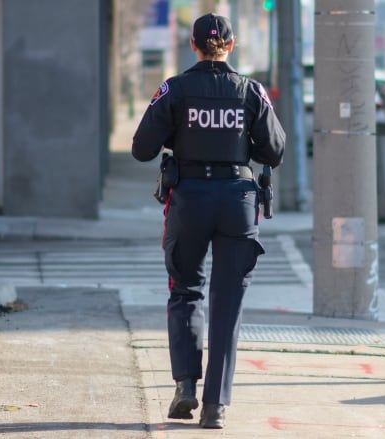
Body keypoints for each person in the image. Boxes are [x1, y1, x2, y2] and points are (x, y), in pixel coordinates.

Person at [131, 12, 285, 429]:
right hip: (237, 202)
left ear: (193, 45)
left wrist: (177, 132)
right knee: (227, 304)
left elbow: (142, 148)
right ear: (231, 46)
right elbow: (274, 151)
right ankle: (215, 407)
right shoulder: (250, 91)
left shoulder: (175, 89)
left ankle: (185, 386)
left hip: (190, 200)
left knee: (185, 292)